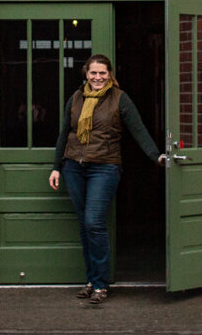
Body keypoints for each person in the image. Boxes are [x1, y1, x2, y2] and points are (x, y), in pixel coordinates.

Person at [48, 53, 166, 304]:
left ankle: (101, 284)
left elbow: (139, 130)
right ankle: (91, 281)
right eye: (93, 73)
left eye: (103, 73)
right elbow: (64, 133)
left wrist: (156, 156)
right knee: (84, 224)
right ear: (86, 74)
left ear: (109, 74)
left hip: (105, 167)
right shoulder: (76, 98)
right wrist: (56, 166)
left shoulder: (120, 99)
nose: (98, 77)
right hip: (74, 167)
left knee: (94, 222)